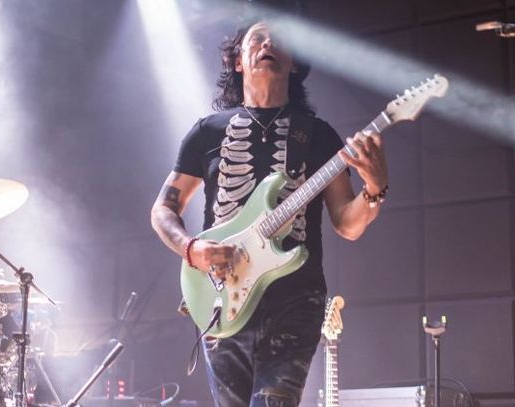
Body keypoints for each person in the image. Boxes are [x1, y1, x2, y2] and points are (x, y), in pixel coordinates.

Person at [151, 20, 388, 407]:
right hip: (221, 296)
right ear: (237, 61)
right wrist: (191, 249)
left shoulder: (318, 135)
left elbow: (347, 223)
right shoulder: (206, 133)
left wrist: (374, 189)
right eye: (257, 39)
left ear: (293, 64)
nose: (267, 44)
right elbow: (164, 208)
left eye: (279, 41)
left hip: (295, 300)